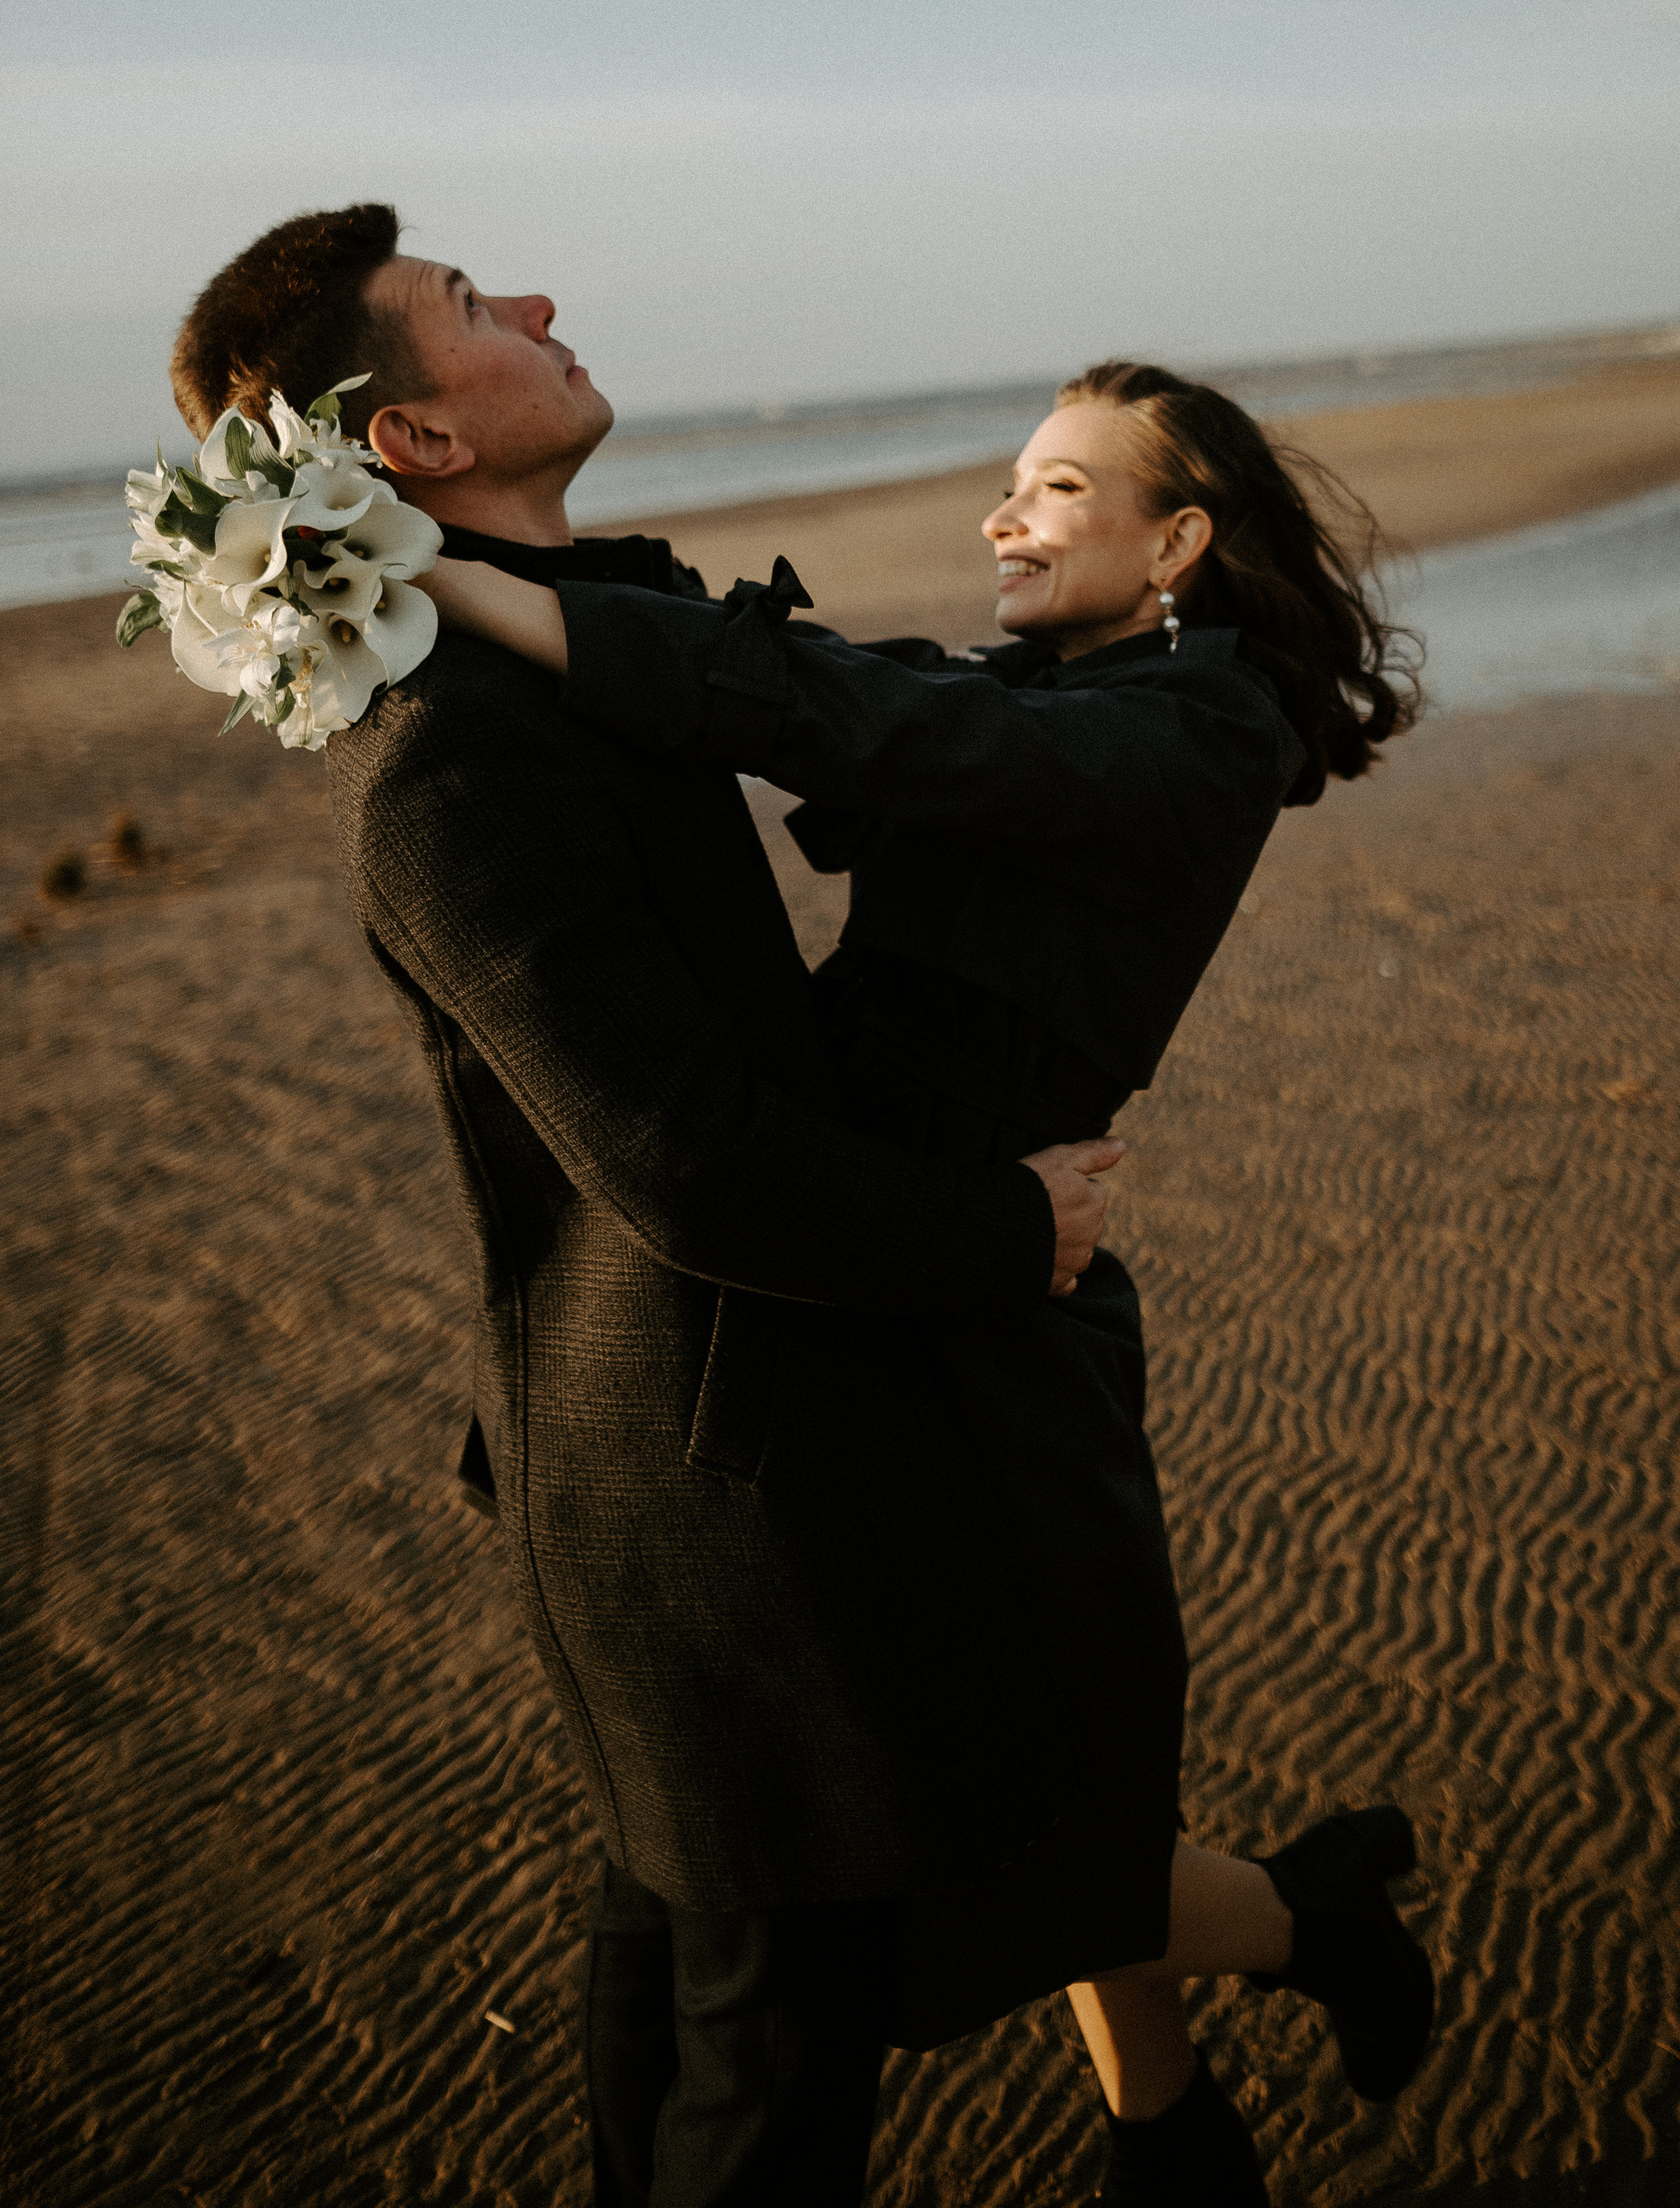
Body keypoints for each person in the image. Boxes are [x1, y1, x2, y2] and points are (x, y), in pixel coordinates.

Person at [167, 205, 1128, 2208]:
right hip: (711, 1502)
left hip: (711, 1459)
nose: (527, 299)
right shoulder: (447, 758)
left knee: (695, 2017)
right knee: (762, 2086)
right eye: (461, 310)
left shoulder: (576, 657)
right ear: (413, 444)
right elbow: (682, 1160)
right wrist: (1003, 1226)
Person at [427, 355, 1436, 2201]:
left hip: (1001, 1288)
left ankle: (1299, 1937)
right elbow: (839, 687)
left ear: (1177, 541)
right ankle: (1176, 2116)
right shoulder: (1049, 683)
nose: (1003, 515)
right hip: (882, 1254)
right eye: (1009, 482)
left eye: (1056, 490)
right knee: (1020, 1795)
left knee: (1046, 1806)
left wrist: (455, 591)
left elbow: (857, 728)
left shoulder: (1193, 726)